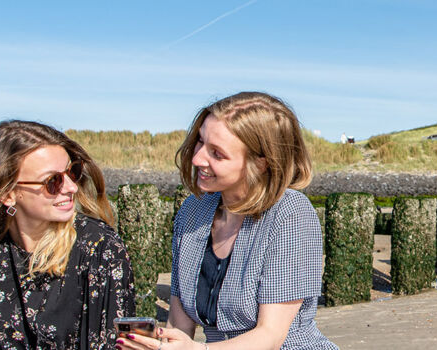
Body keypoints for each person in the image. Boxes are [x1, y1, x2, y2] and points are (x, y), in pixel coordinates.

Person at [117, 92, 337, 349]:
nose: (198, 158)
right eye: (200, 142)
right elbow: (179, 321)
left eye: (217, 154)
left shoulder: (291, 214)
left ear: (262, 162)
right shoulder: (193, 210)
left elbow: (271, 336)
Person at [0, 120, 135, 349]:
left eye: (73, 172)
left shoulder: (99, 248)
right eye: (53, 181)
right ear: (8, 194)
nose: (71, 187)